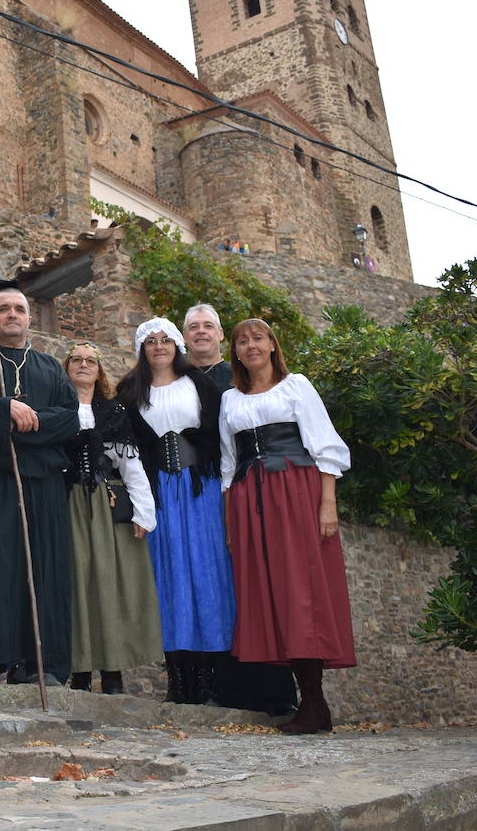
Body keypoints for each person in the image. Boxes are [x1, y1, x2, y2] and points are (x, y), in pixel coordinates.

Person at [220, 318, 355, 734]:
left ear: (273, 346)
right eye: (242, 341)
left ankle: (315, 703)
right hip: (249, 497)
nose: (250, 346)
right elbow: (228, 461)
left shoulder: (296, 385)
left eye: (258, 338)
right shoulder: (229, 399)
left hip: (295, 490)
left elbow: (325, 445)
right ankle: (307, 703)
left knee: (302, 589)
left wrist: (327, 504)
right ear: (237, 352)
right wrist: (230, 517)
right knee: (273, 594)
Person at [0, 289, 79, 686]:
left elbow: (69, 420)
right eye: (3, 309)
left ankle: (39, 663)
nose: (12, 314)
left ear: (29, 319)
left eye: (19, 309)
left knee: (43, 570)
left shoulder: (50, 368)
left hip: (43, 482)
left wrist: (25, 424)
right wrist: (1, 409)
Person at [184, 303, 298, 715]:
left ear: (219, 337)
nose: (200, 333)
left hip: (245, 489)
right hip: (197, 495)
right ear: (185, 336)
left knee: (260, 583)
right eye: (193, 327)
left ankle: (274, 690)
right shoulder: (175, 378)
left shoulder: (236, 384)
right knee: (210, 584)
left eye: (208, 327)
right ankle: (215, 686)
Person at [117, 317, 232, 706]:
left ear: (178, 346)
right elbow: (127, 448)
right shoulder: (130, 392)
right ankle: (178, 680)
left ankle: (210, 681)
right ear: (141, 349)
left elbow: (220, 436)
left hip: (200, 489)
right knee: (167, 579)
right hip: (160, 494)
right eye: (151, 341)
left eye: (167, 339)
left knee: (206, 575)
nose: (159, 346)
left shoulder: (200, 383)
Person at [61, 343, 161, 694]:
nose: (84, 365)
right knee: (77, 584)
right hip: (68, 504)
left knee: (108, 584)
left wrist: (143, 512)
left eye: (91, 361)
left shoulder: (114, 411)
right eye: (76, 360)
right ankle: (80, 671)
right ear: (67, 368)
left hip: (107, 504)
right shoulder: (57, 410)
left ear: (100, 371)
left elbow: (131, 467)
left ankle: (113, 671)